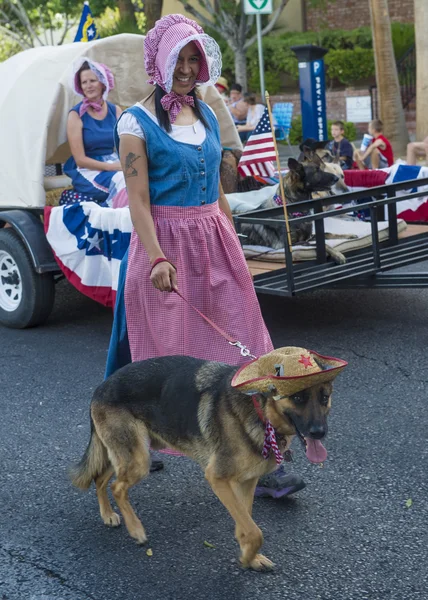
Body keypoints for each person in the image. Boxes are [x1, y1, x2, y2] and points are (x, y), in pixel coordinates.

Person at [105, 13, 305, 498]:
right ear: (161, 59)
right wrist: (156, 258)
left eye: (195, 57)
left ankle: (268, 462)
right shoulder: (135, 121)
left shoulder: (210, 114)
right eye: (181, 56)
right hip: (167, 244)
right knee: (171, 363)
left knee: (251, 347)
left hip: (214, 239)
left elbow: (215, 185)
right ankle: (126, 437)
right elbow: (138, 200)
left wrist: (231, 238)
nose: (189, 67)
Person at [62, 58, 123, 205]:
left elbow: (125, 147)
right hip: (88, 170)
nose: (88, 86)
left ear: (103, 83)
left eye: (92, 81)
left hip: (114, 163)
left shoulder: (116, 111)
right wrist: (113, 168)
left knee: (140, 180)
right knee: (123, 182)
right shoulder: (76, 115)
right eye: (84, 82)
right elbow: (80, 160)